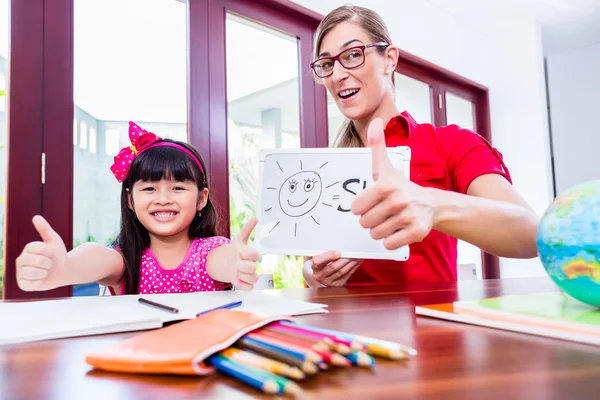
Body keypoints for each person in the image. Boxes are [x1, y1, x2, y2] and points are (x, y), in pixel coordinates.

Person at [303, 5, 540, 288]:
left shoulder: (452, 144)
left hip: (431, 329)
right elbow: (313, 269)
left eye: (353, 55)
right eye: (327, 64)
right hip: (342, 331)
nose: (338, 74)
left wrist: (433, 205)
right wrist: (313, 275)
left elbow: (530, 233)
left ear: (389, 59)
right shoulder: (324, 170)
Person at [16, 122, 260, 294]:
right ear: (130, 200)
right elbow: (94, 257)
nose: (163, 199)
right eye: (149, 189)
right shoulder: (125, 260)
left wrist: (236, 267)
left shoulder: (210, 252)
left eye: (178, 188)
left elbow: (225, 261)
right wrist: (63, 269)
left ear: (201, 198)